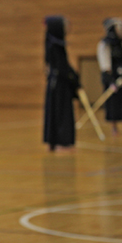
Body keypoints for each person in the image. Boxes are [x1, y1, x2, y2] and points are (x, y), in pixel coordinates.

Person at [43, 15, 80, 151]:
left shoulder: (53, 42)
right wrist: (74, 80)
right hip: (59, 84)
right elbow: (62, 67)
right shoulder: (54, 45)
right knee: (60, 112)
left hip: (56, 83)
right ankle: (61, 143)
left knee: (55, 111)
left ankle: (53, 142)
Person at [97, 17, 122, 135]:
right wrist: (111, 80)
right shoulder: (104, 44)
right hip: (112, 77)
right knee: (113, 102)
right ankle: (114, 127)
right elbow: (104, 64)